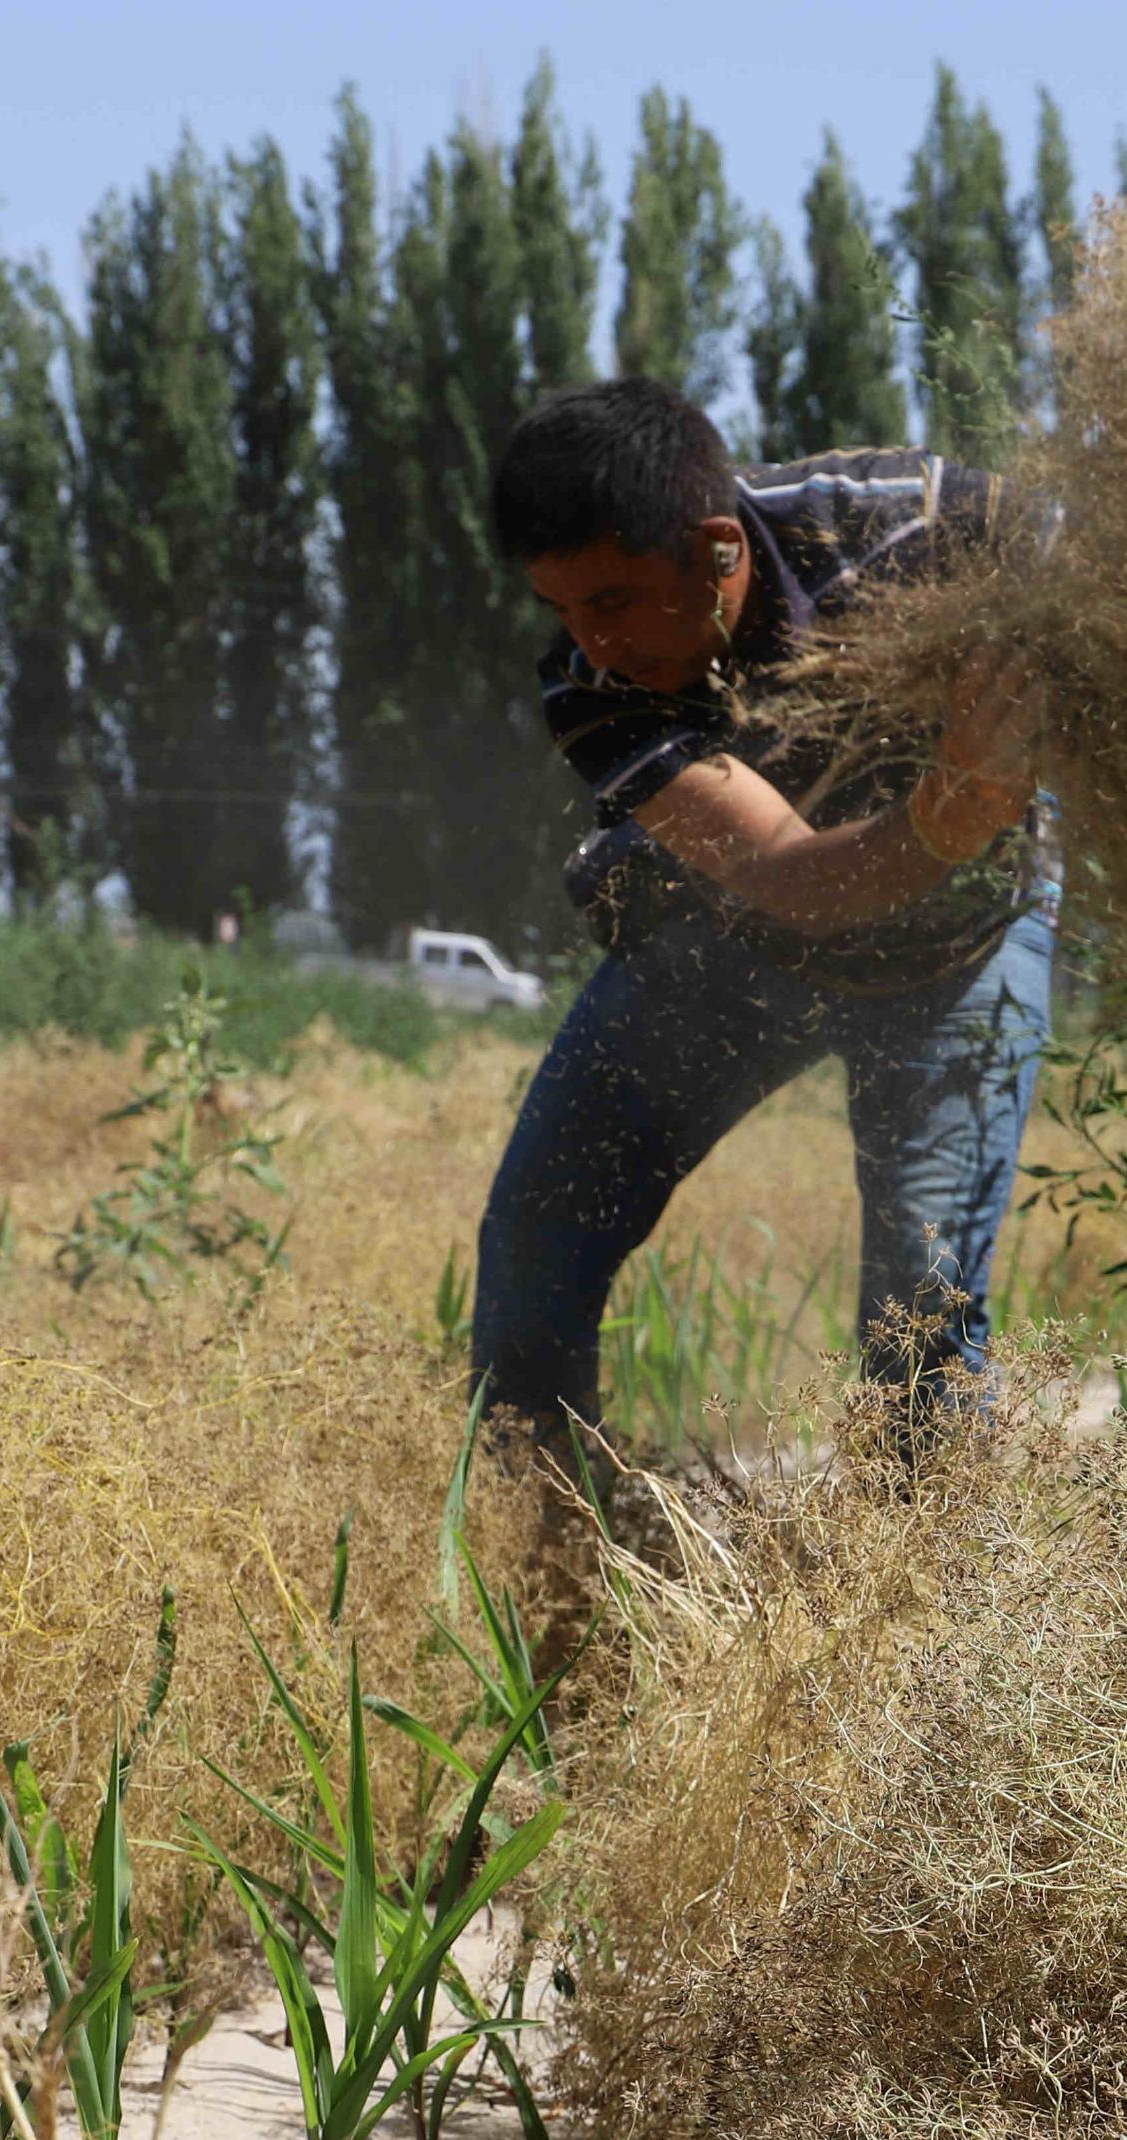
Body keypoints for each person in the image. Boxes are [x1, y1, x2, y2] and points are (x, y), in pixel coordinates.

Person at [469, 377, 1053, 1465]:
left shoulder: (912, 526)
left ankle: (925, 1612)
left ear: (718, 549)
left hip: (957, 961)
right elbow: (792, 877)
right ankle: (538, 1567)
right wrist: (945, 814)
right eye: (558, 610)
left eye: (608, 602)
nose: (588, 645)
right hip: (727, 952)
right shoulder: (589, 689)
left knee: (921, 1325)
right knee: (531, 1251)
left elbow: (1105, 595)